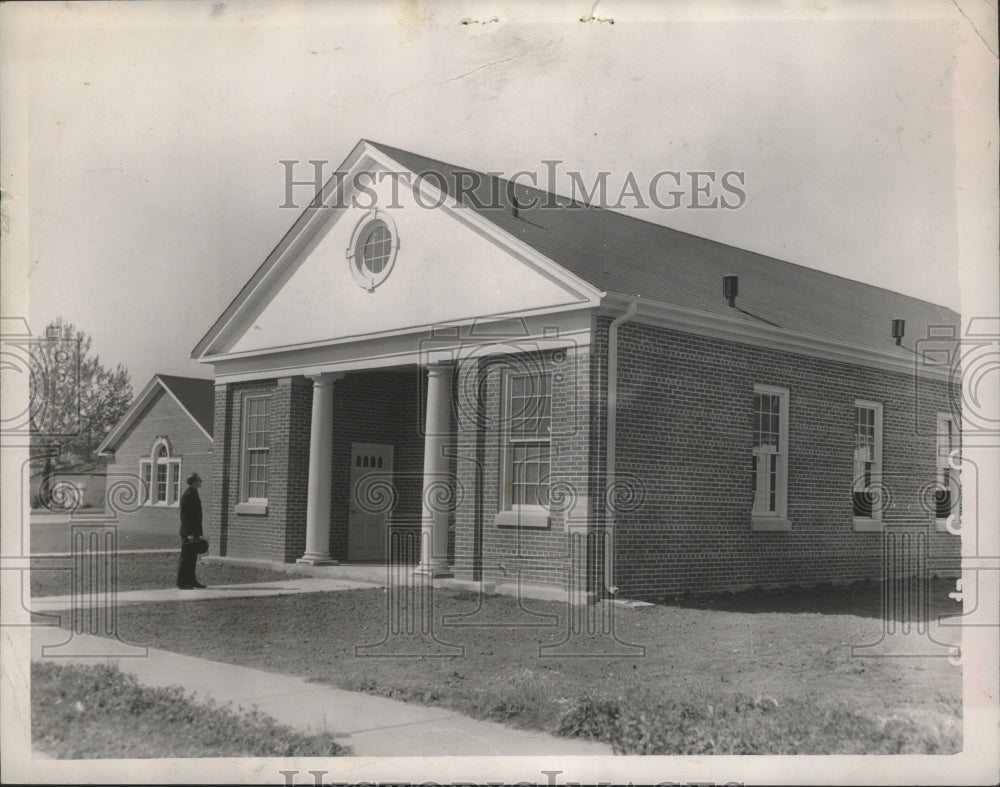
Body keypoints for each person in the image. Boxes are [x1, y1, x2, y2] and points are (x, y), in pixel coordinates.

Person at [177, 473, 207, 589]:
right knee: (185, 558)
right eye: (199, 480)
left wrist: (197, 533)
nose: (201, 482)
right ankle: (182, 582)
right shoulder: (187, 495)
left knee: (192, 558)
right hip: (188, 533)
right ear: (194, 482)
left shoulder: (194, 493)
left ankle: (191, 580)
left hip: (195, 531)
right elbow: (184, 516)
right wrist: (189, 534)